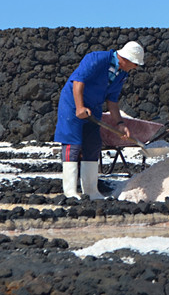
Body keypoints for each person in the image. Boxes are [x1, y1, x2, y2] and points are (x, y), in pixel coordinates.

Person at [54, 41, 145, 199]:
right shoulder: (97, 59)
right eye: (135, 63)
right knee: (73, 143)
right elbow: (78, 81)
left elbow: (112, 101)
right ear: (125, 58)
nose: (135, 67)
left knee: (93, 143)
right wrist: (80, 107)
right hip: (73, 102)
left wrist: (120, 124)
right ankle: (70, 192)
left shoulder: (122, 73)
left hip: (94, 107)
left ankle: (91, 191)